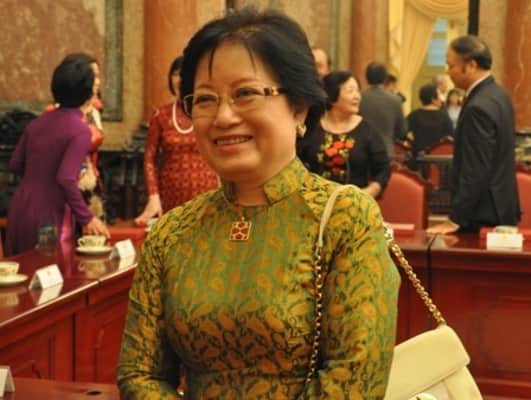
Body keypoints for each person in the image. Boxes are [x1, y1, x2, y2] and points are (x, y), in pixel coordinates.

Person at [117, 7, 400, 399]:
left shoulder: (346, 218)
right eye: (205, 99)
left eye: (245, 94)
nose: (223, 117)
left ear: (299, 106)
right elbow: (138, 374)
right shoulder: (172, 232)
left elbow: (354, 380)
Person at [5, 56, 109, 256]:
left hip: (20, 210)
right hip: (49, 217)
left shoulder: (37, 123)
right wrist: (87, 217)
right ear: (88, 92)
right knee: (49, 270)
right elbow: (66, 178)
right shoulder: (80, 130)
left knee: (21, 271)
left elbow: (15, 164)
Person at [428, 35, 521, 234]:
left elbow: (476, 169)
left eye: (451, 65)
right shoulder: (499, 94)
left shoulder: (478, 107)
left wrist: (455, 219)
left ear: (470, 65)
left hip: (482, 214)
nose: (448, 71)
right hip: (501, 207)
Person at [134, 56, 218, 226]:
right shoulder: (161, 116)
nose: (181, 79)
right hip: (170, 198)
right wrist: (153, 196)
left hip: (207, 195)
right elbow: (149, 159)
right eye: (176, 74)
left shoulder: (211, 113)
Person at [298, 70, 390, 198]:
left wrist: (368, 193)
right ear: (332, 95)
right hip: (314, 201)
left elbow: (383, 169)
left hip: (354, 203)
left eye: (358, 91)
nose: (357, 96)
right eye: (350, 91)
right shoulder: (312, 127)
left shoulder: (368, 131)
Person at [45, 52, 106, 222]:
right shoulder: (54, 113)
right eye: (92, 76)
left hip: (91, 184)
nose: (97, 82)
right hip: (64, 187)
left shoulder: (94, 111)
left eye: (98, 76)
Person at [359, 61, 407, 158]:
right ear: (385, 78)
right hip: (386, 152)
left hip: (362, 150)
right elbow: (402, 132)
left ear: (366, 78)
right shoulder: (395, 100)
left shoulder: (359, 98)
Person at [406, 83, 453, 170]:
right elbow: (451, 137)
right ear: (433, 99)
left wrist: (412, 141)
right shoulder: (444, 116)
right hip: (438, 162)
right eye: (439, 96)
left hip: (418, 160)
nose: (441, 99)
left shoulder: (414, 115)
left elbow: (402, 132)